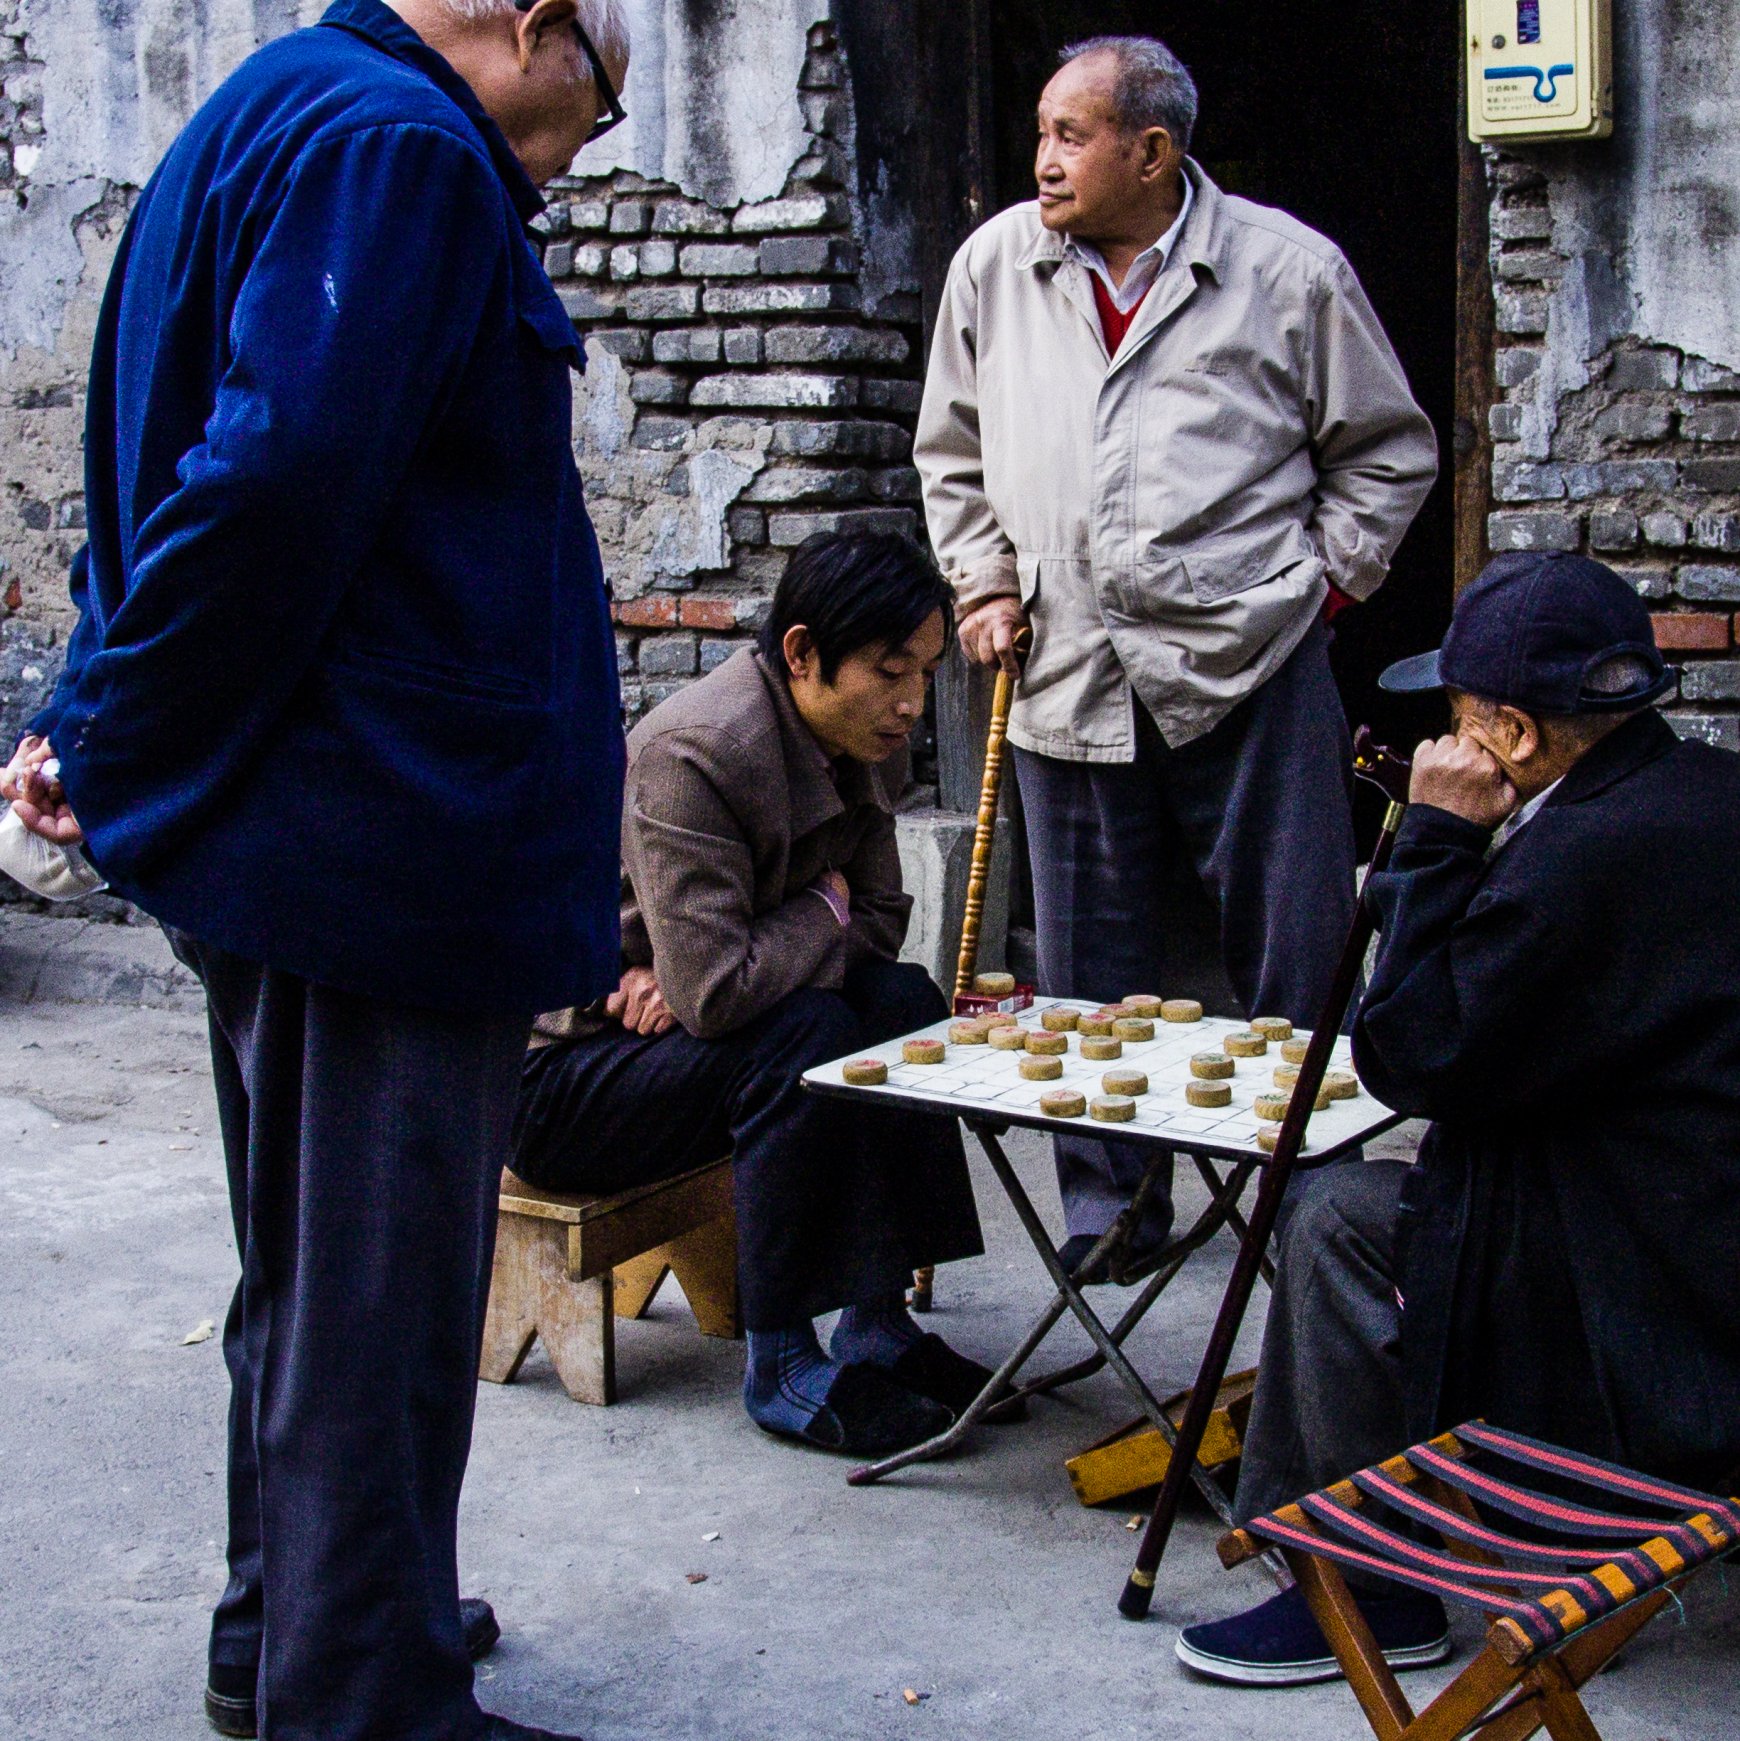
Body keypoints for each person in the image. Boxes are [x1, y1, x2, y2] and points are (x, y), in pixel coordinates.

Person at [2, 2, 630, 1737]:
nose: (568, 158)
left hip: (316, 834)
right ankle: (359, 1695)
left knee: (311, 1274)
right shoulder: (401, 147)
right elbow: (267, 481)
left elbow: (181, 462)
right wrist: (109, 724)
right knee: (376, 1304)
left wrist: (91, 715)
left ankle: (294, 1626)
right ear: (536, 23)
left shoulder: (272, 108)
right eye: (587, 107)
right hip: (385, 842)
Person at [915, 35, 1438, 1281]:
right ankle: (1110, 1206)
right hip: (1064, 661)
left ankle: (1302, 1200)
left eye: (1069, 135)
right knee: (1085, 960)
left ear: (1153, 151)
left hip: (1249, 657)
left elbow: (1387, 450)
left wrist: (1323, 586)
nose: (1040, 158)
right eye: (1038, 131)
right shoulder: (995, 266)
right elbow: (950, 453)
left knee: (1293, 945)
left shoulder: (1285, 270)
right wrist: (985, 584)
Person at [1176, 552, 1740, 1686]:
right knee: (1393, 1201)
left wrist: (1432, 837)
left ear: (1516, 734)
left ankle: (1368, 1585)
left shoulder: (1579, 856)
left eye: (1460, 712)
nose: (1445, 734)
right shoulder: (1711, 791)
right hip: (1694, 1220)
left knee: (1338, 1213)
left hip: (1643, 1291)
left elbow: (1410, 1051)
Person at [513, 531, 996, 1456]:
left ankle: (878, 1323)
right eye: (892, 671)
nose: (910, 704)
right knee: (807, 1030)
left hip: (685, 1038)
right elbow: (721, 992)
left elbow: (883, 920)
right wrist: (819, 908)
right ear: (803, 653)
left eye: (925, 673)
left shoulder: (864, 735)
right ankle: (779, 1361)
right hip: (572, 1080)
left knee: (901, 1001)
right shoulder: (693, 753)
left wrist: (760, 948)